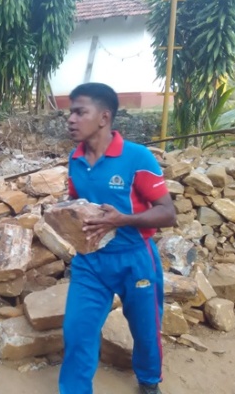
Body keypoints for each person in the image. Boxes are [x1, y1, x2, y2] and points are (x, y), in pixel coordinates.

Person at [59, 83, 176, 394]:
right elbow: (76, 201)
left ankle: (149, 381)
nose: (70, 119)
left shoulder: (137, 157)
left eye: (80, 112)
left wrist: (123, 220)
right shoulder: (76, 159)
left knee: (146, 330)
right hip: (90, 261)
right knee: (77, 331)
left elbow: (168, 213)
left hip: (135, 258)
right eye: (70, 112)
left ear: (104, 117)